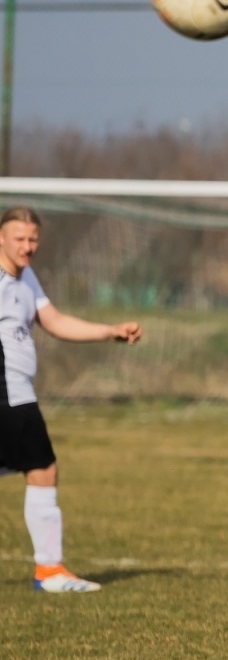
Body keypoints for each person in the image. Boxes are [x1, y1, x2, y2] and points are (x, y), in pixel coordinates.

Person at [0, 207, 142, 593]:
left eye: (33, 239)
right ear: (1, 238)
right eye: (19, 239)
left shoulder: (27, 277)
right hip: (8, 394)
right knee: (42, 469)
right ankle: (49, 571)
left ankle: (50, 570)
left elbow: (55, 321)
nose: (27, 246)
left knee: (40, 469)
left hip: (17, 394)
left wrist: (109, 331)